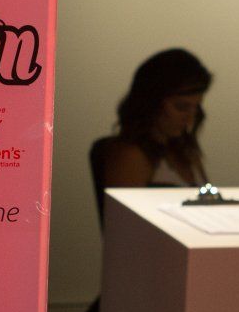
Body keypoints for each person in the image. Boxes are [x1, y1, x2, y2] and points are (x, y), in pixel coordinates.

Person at [89, 48, 212, 215]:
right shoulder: (130, 155)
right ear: (151, 102)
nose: (190, 118)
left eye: (196, 107)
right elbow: (124, 224)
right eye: (181, 107)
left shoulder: (185, 150)